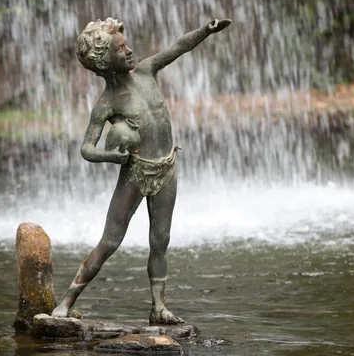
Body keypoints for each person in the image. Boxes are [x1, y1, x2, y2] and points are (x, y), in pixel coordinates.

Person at [52, 17, 231, 324]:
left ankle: (158, 307)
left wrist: (205, 30)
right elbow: (87, 148)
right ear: (105, 62)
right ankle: (66, 303)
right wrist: (111, 156)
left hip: (166, 166)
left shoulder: (148, 71)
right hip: (134, 173)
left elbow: (178, 47)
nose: (130, 51)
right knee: (110, 241)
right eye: (121, 50)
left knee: (160, 239)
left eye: (127, 44)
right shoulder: (106, 103)